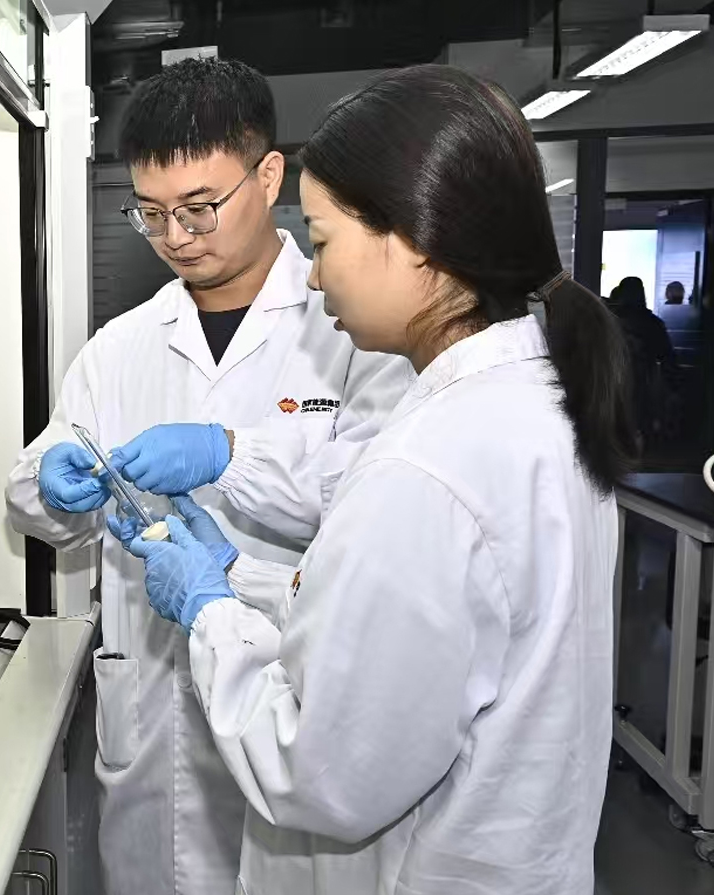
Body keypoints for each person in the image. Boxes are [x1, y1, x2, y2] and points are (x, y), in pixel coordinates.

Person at [115, 64, 636, 894]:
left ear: (413, 239)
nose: (314, 275)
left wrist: (210, 613)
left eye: (323, 242)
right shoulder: (535, 405)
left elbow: (317, 770)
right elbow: (418, 635)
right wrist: (237, 576)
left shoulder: (426, 465)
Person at [4, 58, 412, 894]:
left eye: (198, 208)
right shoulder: (121, 344)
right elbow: (37, 493)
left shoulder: (354, 324)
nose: (176, 237)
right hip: (150, 715)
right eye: (151, 214)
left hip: (298, 696)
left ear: (267, 176)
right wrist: (48, 485)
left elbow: (378, 498)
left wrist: (231, 452)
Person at [609, 276, 678, 445]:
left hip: (614, 379)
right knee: (640, 419)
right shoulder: (653, 323)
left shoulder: (610, 321)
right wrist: (673, 385)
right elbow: (667, 356)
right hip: (644, 380)